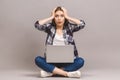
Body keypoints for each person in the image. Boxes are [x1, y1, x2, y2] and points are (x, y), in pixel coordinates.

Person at [34, 6, 85, 78]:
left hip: (67, 62)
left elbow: (82, 24)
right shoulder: (50, 27)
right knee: (38, 59)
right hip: (51, 62)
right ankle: (67, 74)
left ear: (65, 18)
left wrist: (67, 16)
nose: (59, 18)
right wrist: (51, 17)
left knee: (80, 61)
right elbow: (37, 25)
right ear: (54, 18)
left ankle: (52, 72)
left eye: (62, 16)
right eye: (56, 16)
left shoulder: (69, 27)